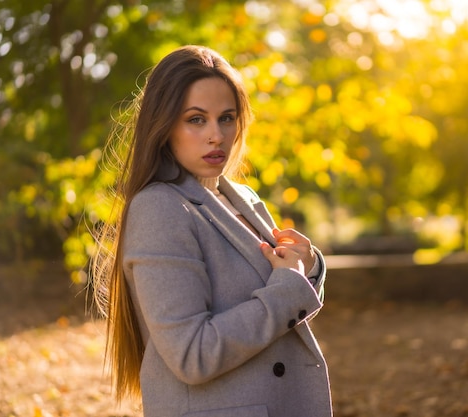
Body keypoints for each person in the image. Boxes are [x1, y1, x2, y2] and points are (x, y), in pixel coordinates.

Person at [92, 45, 333, 417]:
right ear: (164, 124)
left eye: (227, 118)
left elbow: (275, 313)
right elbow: (192, 354)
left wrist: (307, 268)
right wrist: (286, 290)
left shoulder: (240, 198)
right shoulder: (160, 208)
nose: (216, 136)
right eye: (196, 119)